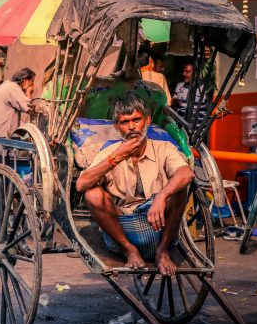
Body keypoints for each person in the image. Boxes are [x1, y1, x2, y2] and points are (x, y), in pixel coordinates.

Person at [76, 93, 194, 276]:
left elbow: (186, 173)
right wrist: (116, 157)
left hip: (159, 226)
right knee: (92, 194)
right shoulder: (109, 151)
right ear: (117, 126)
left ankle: (162, 252)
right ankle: (129, 249)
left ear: (147, 120)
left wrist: (162, 196)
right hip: (122, 227)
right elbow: (81, 184)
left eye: (136, 119)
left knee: (179, 189)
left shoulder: (163, 148)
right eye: (124, 122)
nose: (132, 127)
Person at [0, 67, 36, 168]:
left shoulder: (4, 86)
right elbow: (30, 108)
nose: (33, 85)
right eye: (32, 82)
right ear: (25, 80)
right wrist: (28, 93)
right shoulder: (13, 88)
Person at [172, 57, 209, 128]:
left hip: (197, 129)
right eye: (183, 71)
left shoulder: (203, 89)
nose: (184, 74)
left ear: (196, 73)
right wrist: (174, 103)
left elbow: (206, 111)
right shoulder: (179, 86)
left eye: (187, 72)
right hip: (179, 128)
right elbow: (173, 106)